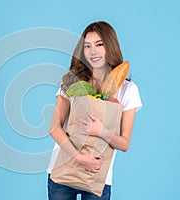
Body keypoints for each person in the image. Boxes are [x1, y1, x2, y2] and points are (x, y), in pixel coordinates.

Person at [47, 21, 143, 200]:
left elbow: (124, 144)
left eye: (99, 44)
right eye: (87, 46)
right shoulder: (71, 81)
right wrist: (79, 158)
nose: (93, 51)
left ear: (111, 46)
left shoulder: (127, 90)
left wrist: (101, 131)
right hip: (63, 170)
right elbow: (54, 128)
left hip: (98, 177)